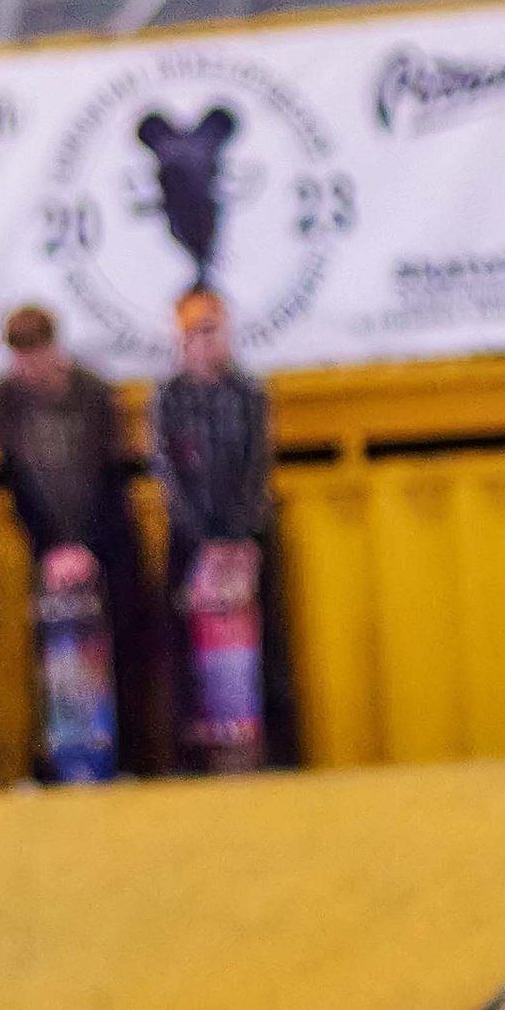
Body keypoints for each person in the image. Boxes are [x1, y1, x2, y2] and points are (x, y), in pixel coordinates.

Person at [0, 304, 160, 775]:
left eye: (35, 354)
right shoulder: (6, 399)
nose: (27, 367)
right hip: (48, 548)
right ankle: (60, 760)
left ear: (53, 349)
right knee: (53, 657)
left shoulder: (94, 394)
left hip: (109, 540)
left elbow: (113, 477)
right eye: (18, 357)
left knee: (124, 651)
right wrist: (53, 546)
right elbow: (16, 479)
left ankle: (134, 760)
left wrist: (86, 546)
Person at [149, 287, 295, 768]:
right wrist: (204, 543)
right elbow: (168, 474)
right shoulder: (168, 399)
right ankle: (194, 758)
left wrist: (237, 539)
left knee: (267, 651)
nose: (207, 343)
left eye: (214, 330)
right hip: (190, 543)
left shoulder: (249, 394)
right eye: (196, 333)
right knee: (186, 653)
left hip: (250, 539)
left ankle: (272, 753)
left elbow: (258, 468)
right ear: (181, 340)